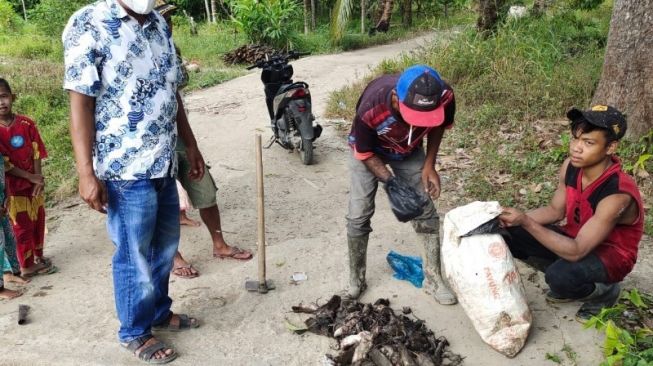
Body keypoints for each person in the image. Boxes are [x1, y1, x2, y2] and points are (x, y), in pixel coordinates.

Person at [63, 0, 203, 362]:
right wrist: (85, 173)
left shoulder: (159, 25)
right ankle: (135, 332)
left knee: (165, 249)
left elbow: (173, 96)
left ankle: (157, 312)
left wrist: (191, 147)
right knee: (133, 255)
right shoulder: (89, 22)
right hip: (124, 169)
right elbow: (80, 102)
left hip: (164, 163)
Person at [499, 105, 644, 322]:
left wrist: (527, 221)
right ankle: (570, 278)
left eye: (588, 143)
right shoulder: (571, 167)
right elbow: (555, 211)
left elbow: (577, 251)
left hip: (611, 255)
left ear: (611, 147)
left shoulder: (617, 193)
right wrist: (507, 220)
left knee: (559, 276)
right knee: (509, 234)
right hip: (577, 238)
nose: (576, 148)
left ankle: (605, 293)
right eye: (575, 139)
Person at [154, 1, 252, 281]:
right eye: (163, 18)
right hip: (147, 145)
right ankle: (174, 256)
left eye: (170, 18)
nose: (168, 23)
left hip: (177, 135)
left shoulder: (171, 50)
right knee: (164, 199)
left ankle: (219, 244)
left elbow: (176, 97)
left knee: (204, 186)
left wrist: (192, 144)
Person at [345, 64, 457, 305]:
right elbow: (363, 153)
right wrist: (391, 183)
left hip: (408, 150)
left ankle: (433, 278)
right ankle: (356, 279)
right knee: (359, 213)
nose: (420, 122)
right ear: (396, 98)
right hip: (370, 153)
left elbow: (438, 127)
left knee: (425, 208)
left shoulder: (445, 96)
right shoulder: (372, 106)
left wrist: (429, 165)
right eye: (415, 115)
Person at [0, 78, 55, 278]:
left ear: (12, 97)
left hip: (33, 186)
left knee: (38, 221)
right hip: (13, 190)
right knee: (21, 226)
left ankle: (37, 256)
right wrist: (30, 177)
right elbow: (5, 165)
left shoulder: (26, 123)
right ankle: (25, 266)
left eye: (4, 96)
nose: (1, 103)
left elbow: (36, 152)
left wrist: (38, 178)